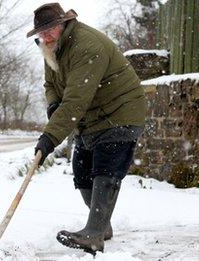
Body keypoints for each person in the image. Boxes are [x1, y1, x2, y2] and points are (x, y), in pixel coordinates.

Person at [28, 3, 147, 254]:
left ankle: (94, 235)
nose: (46, 36)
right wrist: (53, 105)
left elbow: (76, 101)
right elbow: (49, 84)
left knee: (106, 170)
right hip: (91, 118)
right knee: (82, 172)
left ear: (63, 25)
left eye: (50, 30)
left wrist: (50, 138)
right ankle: (102, 226)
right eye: (41, 32)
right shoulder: (51, 49)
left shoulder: (87, 46)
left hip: (121, 112)